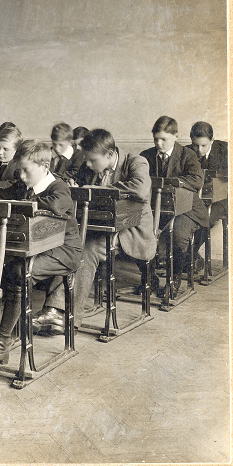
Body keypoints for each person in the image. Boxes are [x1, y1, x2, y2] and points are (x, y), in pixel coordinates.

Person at [0, 141, 82, 361]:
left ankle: (3, 340)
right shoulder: (23, 185)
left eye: (26, 170)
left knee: (20, 273)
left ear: (44, 166)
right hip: (31, 247)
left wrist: (23, 202)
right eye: (18, 169)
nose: (20, 176)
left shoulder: (59, 188)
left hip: (63, 250)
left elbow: (56, 205)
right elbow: (4, 196)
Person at [66, 129, 156, 325]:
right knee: (70, 246)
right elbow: (72, 179)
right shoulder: (90, 164)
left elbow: (140, 189)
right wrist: (70, 183)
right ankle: (55, 309)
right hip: (99, 225)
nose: (87, 164)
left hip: (131, 231)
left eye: (91, 160)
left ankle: (70, 316)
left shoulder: (136, 162)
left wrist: (95, 190)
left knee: (86, 250)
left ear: (109, 154)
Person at [140, 116, 206, 279]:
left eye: (164, 139)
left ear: (176, 136)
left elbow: (197, 181)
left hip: (186, 208)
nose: (159, 144)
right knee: (137, 233)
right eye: (156, 139)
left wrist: (171, 183)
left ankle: (173, 281)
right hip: (155, 207)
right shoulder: (146, 155)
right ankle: (149, 279)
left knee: (178, 236)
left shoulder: (187, 154)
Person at [189, 121, 228, 262]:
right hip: (198, 198)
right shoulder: (187, 152)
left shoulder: (225, 150)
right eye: (195, 145)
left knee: (206, 217)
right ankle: (187, 256)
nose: (199, 150)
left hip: (222, 198)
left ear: (212, 140)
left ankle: (188, 255)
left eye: (204, 145)